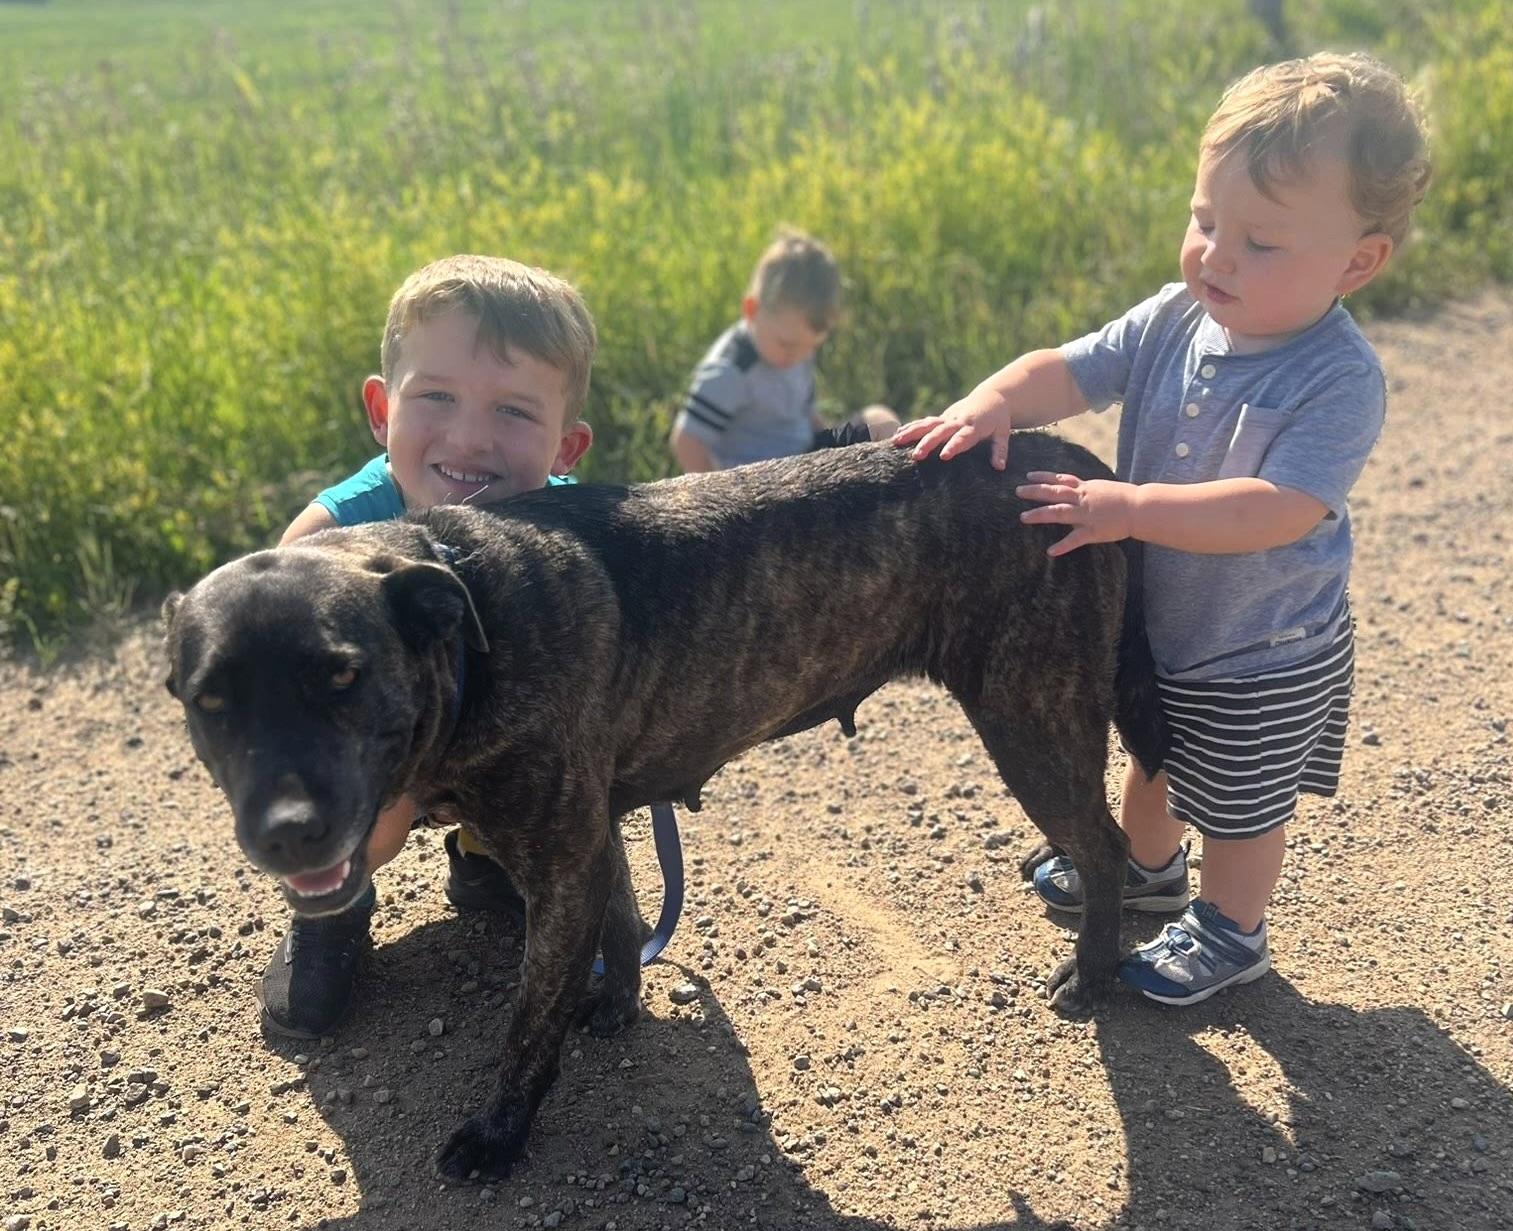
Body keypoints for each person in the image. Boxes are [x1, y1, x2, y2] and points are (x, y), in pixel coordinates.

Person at [897, 53, 1430, 1005]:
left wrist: (1128, 510)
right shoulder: (1178, 315)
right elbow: (1069, 366)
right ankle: (1145, 872)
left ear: (1357, 259)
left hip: (1259, 643)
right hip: (1161, 622)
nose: (1216, 256)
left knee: (1236, 801)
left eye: (1260, 243)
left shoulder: (1337, 380)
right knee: (1151, 749)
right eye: (1203, 220)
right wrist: (994, 401)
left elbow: (1278, 511)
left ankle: (1234, 929)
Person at [260, 253, 596, 1037]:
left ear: (566, 448)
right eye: (436, 396)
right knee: (361, 813)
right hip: (378, 750)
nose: (470, 438)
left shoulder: (578, 533)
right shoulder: (327, 540)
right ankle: (329, 903)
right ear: (381, 409)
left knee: (569, 782)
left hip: (501, 735)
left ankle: (488, 858)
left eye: (514, 412)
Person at [669, 229, 899, 473]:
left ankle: (900, 505)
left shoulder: (793, 347)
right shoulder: (731, 370)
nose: (799, 357)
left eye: (811, 346)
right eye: (787, 345)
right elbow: (686, 442)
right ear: (751, 311)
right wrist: (715, 495)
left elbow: (806, 412)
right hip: (760, 481)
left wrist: (835, 447)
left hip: (805, 456)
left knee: (882, 421)